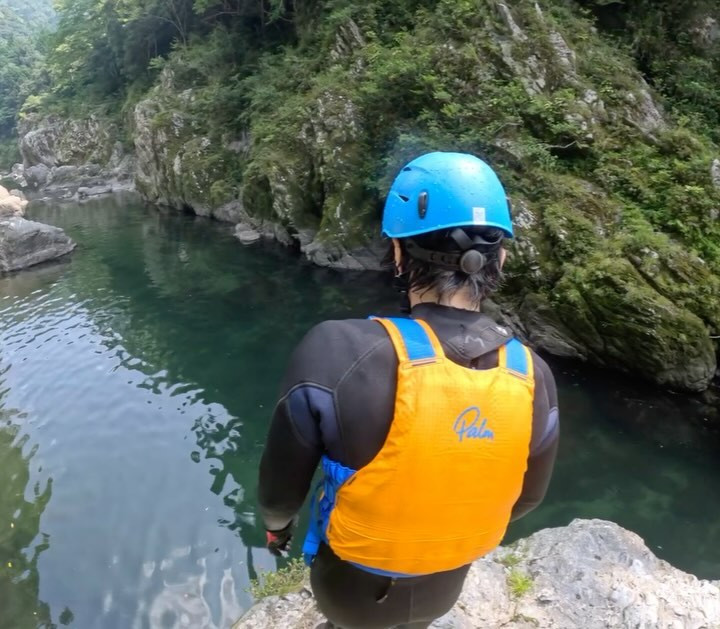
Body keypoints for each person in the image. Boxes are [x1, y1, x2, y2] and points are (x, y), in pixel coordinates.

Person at [257, 152, 559, 629]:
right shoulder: (533, 373)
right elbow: (525, 499)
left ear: (398, 253)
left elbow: (279, 495)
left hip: (349, 589)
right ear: (499, 257)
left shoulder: (336, 349)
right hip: (445, 582)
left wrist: (278, 530)